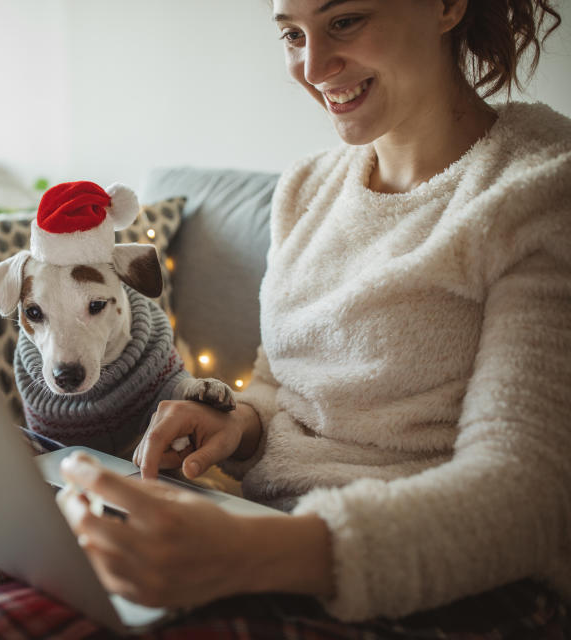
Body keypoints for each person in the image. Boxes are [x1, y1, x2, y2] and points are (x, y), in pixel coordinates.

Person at [54, 0, 571, 626]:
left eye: (346, 21)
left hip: (439, 588)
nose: (314, 66)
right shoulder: (306, 188)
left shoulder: (540, 190)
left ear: (446, 7)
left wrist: (246, 554)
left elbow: (526, 499)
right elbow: (279, 385)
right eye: (293, 35)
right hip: (265, 533)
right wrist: (237, 424)